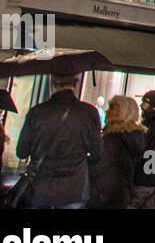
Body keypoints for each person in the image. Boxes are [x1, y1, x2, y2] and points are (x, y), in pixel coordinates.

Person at [15, 73, 103, 209]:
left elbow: (21, 152)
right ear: (76, 84)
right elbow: (97, 153)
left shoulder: (37, 112)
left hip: (40, 187)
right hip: (74, 188)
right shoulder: (89, 113)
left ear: (54, 83)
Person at [87, 96, 145, 209]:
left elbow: (102, 168)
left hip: (103, 197)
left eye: (112, 108)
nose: (108, 111)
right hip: (120, 196)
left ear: (123, 113)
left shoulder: (115, 137)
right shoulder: (134, 137)